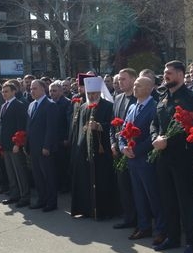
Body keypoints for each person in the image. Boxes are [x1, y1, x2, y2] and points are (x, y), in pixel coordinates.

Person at [151, 61, 193, 253]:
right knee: (168, 200)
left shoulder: (191, 98)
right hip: (163, 157)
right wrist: (155, 138)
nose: (165, 76)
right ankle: (173, 237)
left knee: (186, 201)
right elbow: (155, 123)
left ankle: (191, 241)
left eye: (170, 73)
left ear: (181, 75)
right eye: (165, 72)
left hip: (182, 157)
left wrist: (169, 141)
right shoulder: (162, 96)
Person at [120, 77, 165, 243]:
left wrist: (136, 150)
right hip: (132, 158)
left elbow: (153, 134)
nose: (134, 87)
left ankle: (161, 229)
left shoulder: (154, 107)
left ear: (149, 88)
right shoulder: (132, 106)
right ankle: (144, 226)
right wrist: (122, 147)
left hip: (146, 159)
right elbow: (124, 129)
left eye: (138, 85)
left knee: (153, 195)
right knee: (138, 195)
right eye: (135, 85)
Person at [70, 77, 118, 219]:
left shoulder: (108, 106)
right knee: (85, 181)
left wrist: (100, 126)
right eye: (89, 94)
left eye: (94, 93)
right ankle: (87, 209)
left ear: (100, 92)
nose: (91, 96)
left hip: (102, 151)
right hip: (85, 150)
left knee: (102, 181)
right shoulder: (83, 107)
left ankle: (104, 211)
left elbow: (114, 126)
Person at [109, 69, 138, 231]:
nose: (120, 82)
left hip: (134, 149)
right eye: (119, 79)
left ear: (133, 79)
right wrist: (113, 143)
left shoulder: (139, 98)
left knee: (136, 187)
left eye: (123, 79)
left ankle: (142, 219)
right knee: (124, 186)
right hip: (120, 149)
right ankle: (129, 217)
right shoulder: (118, 98)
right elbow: (113, 125)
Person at [26, 79, 59, 212]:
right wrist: (26, 145)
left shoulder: (50, 105)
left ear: (43, 89)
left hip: (44, 148)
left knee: (48, 175)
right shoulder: (31, 105)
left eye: (34, 88)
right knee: (38, 176)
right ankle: (42, 199)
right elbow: (29, 127)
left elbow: (51, 128)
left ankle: (51, 202)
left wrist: (47, 146)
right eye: (30, 89)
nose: (31, 91)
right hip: (33, 147)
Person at [0, 81, 30, 208]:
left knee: (19, 171)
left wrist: (18, 143)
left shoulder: (19, 105)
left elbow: (21, 126)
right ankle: (14, 194)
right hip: (6, 144)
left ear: (14, 92)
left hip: (15, 145)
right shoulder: (3, 106)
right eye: (3, 92)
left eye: (7, 91)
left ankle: (25, 196)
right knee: (11, 171)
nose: (4, 94)